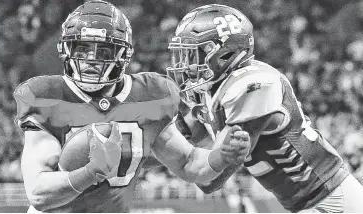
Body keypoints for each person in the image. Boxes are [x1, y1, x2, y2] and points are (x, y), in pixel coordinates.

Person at [13, 1, 251, 212]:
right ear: (66, 50)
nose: (90, 59)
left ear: (123, 55)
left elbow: (188, 163)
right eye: (82, 49)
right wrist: (89, 173)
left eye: (103, 50)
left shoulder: (151, 95)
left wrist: (222, 156)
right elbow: (38, 193)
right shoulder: (46, 97)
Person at [166, 4, 363, 213]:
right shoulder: (214, 90)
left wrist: (178, 147)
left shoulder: (252, 86)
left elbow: (210, 180)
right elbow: (170, 139)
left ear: (224, 53)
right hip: (309, 203)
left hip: (331, 201)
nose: (187, 65)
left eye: (193, 54)